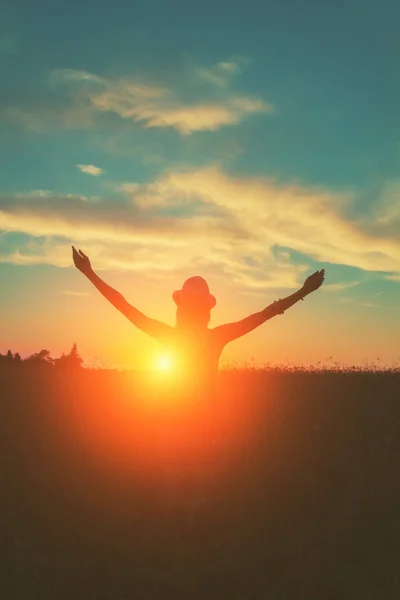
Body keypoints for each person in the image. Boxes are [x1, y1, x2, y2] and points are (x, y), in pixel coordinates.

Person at [72, 246, 325, 391]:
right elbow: (265, 314)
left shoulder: (169, 336)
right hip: (206, 429)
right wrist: (304, 291)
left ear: (180, 309)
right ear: (207, 310)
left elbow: (124, 306)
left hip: (174, 431)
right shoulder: (217, 337)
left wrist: (89, 273)